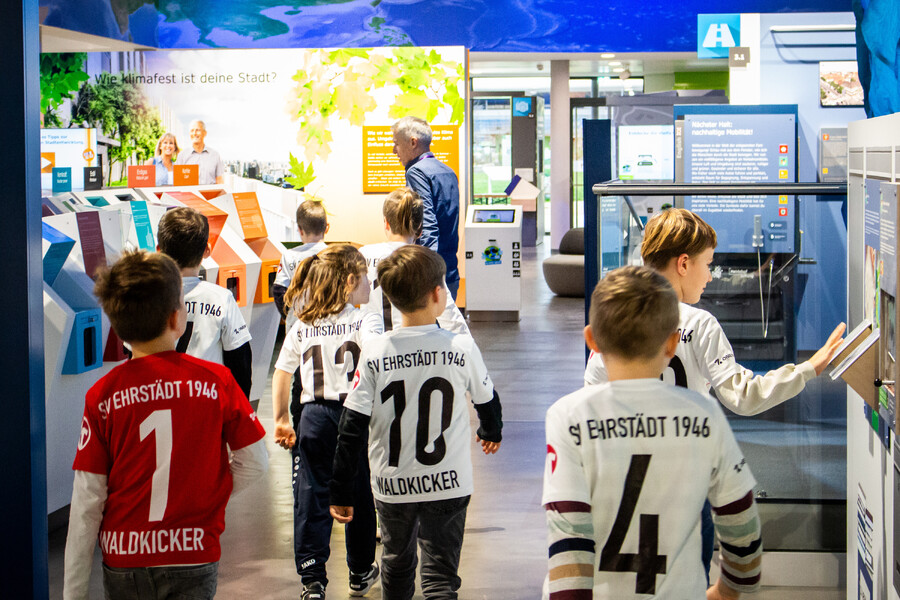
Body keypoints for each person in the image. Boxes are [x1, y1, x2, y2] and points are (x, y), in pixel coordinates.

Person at [584, 207, 846, 578]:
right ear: (684, 264)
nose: (711, 276)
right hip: (687, 487)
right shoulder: (699, 323)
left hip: (625, 488)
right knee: (691, 577)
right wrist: (809, 369)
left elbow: (593, 405)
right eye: (708, 264)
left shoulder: (616, 320)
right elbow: (744, 395)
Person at [545, 265, 762, 600]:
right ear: (672, 343)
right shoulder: (705, 417)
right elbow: (740, 523)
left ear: (592, 340)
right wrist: (728, 590)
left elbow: (569, 539)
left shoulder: (568, 416)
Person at [63, 250, 267, 600]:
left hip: (124, 557)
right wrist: (209, 491)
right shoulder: (216, 381)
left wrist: (74, 592)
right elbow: (256, 462)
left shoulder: (103, 395)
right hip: (193, 551)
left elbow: (87, 499)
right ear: (177, 319)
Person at [329, 244, 503, 600]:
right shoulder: (460, 347)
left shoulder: (375, 352)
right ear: (438, 294)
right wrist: (490, 431)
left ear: (390, 298)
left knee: (396, 562)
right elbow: (488, 400)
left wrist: (342, 489)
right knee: (440, 576)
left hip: (394, 485)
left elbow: (351, 426)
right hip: (449, 483)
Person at [272, 244, 383, 600]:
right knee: (359, 492)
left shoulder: (304, 324)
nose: (371, 282)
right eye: (366, 276)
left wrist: (280, 419)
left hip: (313, 417)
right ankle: (361, 570)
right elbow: (376, 357)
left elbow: (283, 370)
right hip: (355, 417)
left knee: (311, 495)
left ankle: (312, 578)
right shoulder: (366, 319)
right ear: (351, 281)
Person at [157, 206, 253, 399]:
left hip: (159, 402)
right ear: (207, 250)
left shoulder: (147, 298)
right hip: (209, 403)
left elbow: (131, 355)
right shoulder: (221, 299)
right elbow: (241, 364)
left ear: (159, 251)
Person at [359, 187, 468, 335]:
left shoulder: (363, 254)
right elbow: (450, 317)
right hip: (413, 351)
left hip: (371, 346)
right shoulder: (425, 261)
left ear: (386, 223)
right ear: (420, 228)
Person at [391, 116, 461, 300]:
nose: (393, 151)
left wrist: (424, 275)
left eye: (396, 144)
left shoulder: (416, 171)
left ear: (413, 142)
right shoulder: (447, 171)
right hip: (450, 269)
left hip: (432, 276)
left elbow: (427, 226)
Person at [175, 119, 224, 185]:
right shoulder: (182, 156)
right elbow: (178, 182)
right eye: (192, 130)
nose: (194, 133)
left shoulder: (215, 155)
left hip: (210, 195)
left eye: (197, 130)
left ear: (205, 133)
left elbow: (219, 181)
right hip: (189, 195)